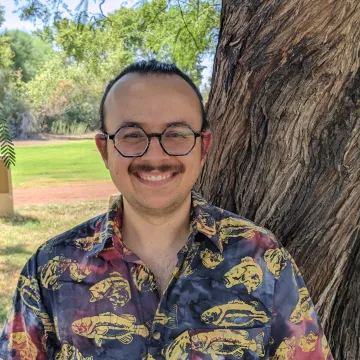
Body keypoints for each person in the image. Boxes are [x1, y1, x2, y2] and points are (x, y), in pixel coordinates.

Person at [0, 60, 333, 360]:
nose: (155, 156)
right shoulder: (50, 269)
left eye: (176, 133)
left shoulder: (263, 258)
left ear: (203, 147)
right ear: (105, 150)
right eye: (132, 134)